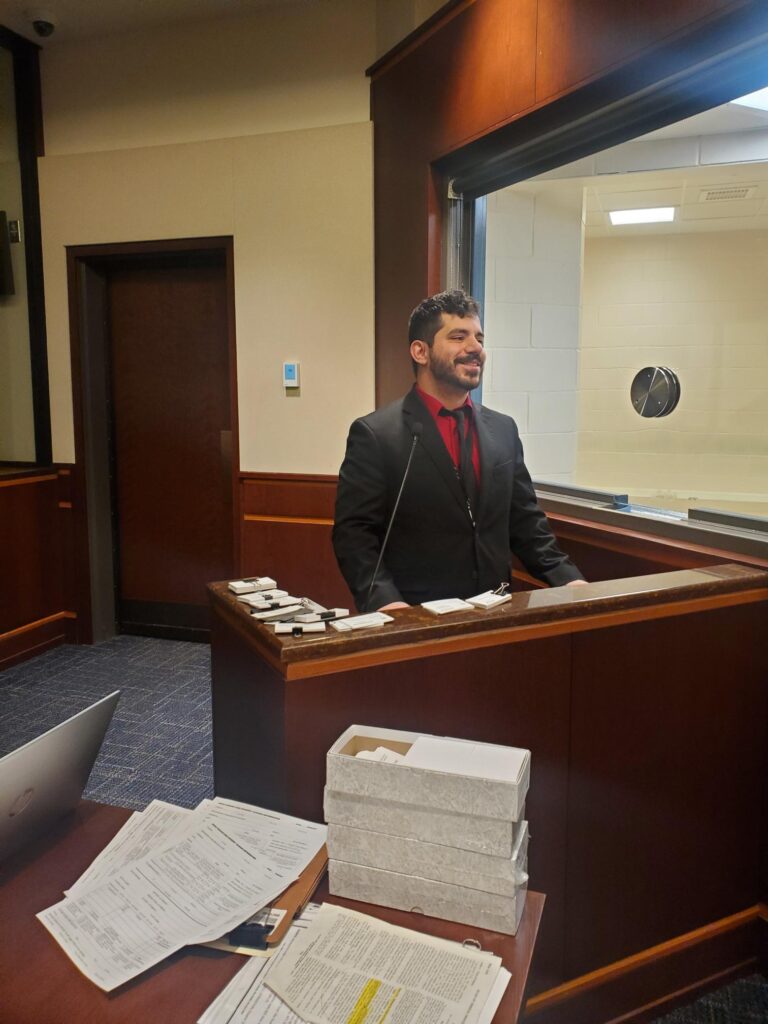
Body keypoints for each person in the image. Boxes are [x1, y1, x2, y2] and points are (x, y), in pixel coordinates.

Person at [332, 289, 585, 612]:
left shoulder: (503, 430)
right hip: (415, 621)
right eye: (458, 337)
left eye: (479, 338)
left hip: (495, 614)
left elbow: (525, 521)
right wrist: (386, 603)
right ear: (421, 352)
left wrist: (568, 579)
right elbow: (354, 536)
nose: (475, 348)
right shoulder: (376, 434)